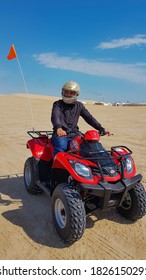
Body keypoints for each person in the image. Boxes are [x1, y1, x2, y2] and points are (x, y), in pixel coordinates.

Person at [51, 81, 109, 156]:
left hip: (74, 134)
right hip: (60, 134)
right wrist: (58, 128)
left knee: (88, 145)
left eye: (71, 93)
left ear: (76, 94)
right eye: (66, 92)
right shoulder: (58, 104)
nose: (68, 95)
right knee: (61, 147)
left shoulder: (79, 106)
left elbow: (89, 118)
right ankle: (54, 167)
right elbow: (55, 116)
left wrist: (101, 128)